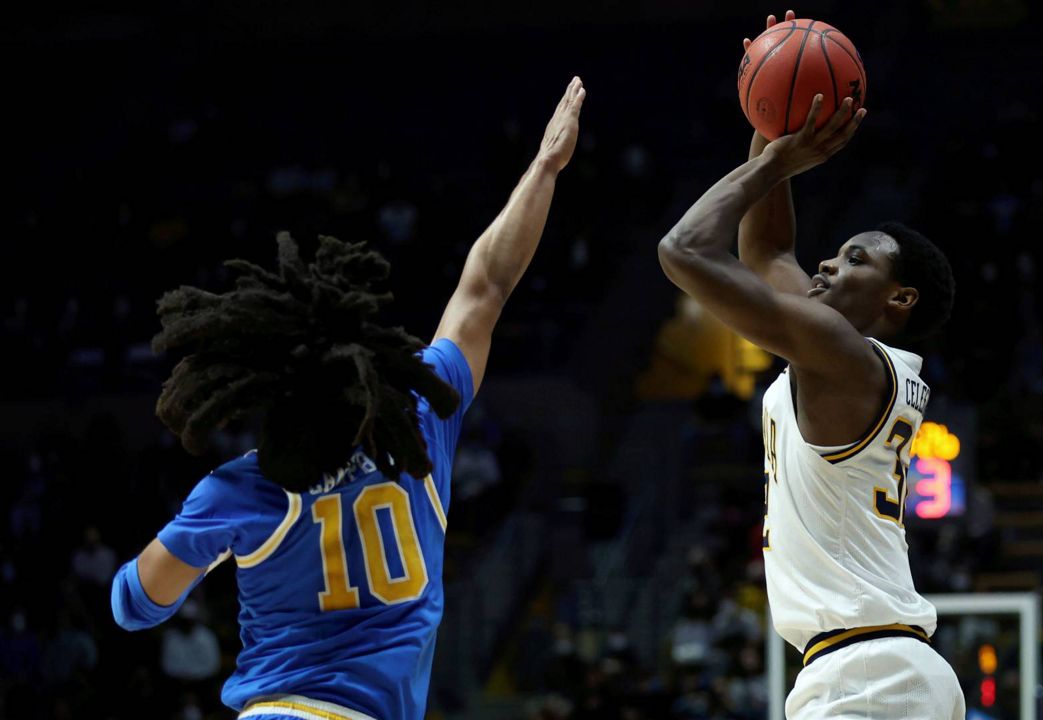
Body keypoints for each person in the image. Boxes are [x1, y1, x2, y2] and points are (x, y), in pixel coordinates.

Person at [109, 77, 586, 720]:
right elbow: (487, 286)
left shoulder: (241, 489)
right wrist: (544, 168)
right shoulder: (421, 418)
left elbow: (133, 605)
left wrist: (198, 537)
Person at [657, 12, 959, 718]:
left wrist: (771, 165)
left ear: (900, 297)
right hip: (875, 667)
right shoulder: (854, 356)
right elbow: (769, 254)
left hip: (868, 673)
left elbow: (684, 251)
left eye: (856, 258)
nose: (829, 261)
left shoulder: (844, 357)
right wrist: (773, 116)